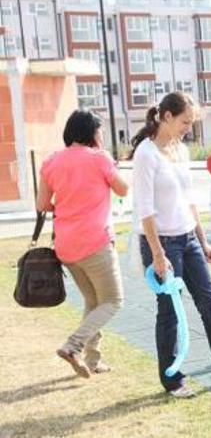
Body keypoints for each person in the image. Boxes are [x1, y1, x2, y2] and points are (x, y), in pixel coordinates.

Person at [131, 92, 211, 398]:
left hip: (187, 238)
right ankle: (172, 380)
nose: (189, 127)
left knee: (210, 304)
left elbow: (189, 201)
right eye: (186, 121)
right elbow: (145, 210)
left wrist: (203, 240)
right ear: (167, 117)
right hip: (161, 243)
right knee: (170, 311)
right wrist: (158, 254)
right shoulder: (146, 154)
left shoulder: (180, 151)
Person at [37, 110, 128, 378]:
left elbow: (42, 204)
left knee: (93, 301)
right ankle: (72, 346)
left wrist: (69, 206)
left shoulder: (51, 161)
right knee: (113, 301)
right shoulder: (99, 158)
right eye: (100, 131)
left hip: (65, 247)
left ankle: (92, 360)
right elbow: (123, 189)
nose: (102, 135)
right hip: (95, 242)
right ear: (92, 133)